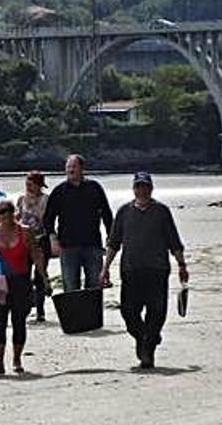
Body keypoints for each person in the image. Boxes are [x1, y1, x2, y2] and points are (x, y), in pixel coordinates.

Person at [99, 172, 189, 369]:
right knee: (129, 313)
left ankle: (148, 351)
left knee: (157, 312)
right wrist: (105, 268)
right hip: (131, 270)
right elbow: (114, 243)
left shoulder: (161, 211)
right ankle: (144, 338)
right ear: (134, 189)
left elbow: (174, 241)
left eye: (145, 186)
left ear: (151, 188)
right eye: (139, 186)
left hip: (157, 269)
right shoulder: (124, 212)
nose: (142, 190)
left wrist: (182, 265)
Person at [0, 199, 51, 375]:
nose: (5, 214)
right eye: (1, 211)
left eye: (8, 210)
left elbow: (36, 254)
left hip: (21, 281)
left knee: (18, 321)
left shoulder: (25, 232)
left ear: (14, 211)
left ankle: (16, 359)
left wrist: (44, 278)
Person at [43, 154, 113, 292]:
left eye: (73, 166)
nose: (70, 170)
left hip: (92, 245)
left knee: (94, 287)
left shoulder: (94, 188)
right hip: (68, 247)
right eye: (68, 167)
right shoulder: (59, 191)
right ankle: (74, 314)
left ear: (82, 168)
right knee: (70, 288)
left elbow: (106, 214)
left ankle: (92, 314)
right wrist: (52, 239)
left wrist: (111, 238)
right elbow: (48, 219)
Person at [16, 170, 50, 322]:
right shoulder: (21, 199)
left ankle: (41, 311)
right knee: (23, 275)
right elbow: (17, 219)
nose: (29, 188)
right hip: (24, 242)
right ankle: (27, 306)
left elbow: (46, 220)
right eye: (27, 185)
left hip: (41, 240)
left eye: (32, 185)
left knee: (40, 275)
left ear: (39, 185)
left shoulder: (46, 199)